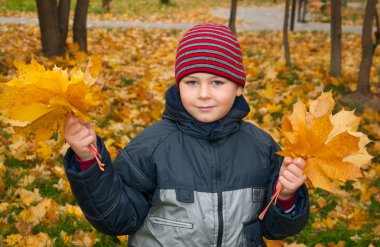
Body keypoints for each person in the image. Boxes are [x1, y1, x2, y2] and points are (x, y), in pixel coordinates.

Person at [64, 24, 309, 247]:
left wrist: (286, 196)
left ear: (238, 87)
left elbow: (276, 229)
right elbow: (116, 219)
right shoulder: (152, 146)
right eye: (191, 82)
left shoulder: (261, 147)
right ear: (178, 85)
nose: (203, 93)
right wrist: (88, 160)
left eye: (217, 83)